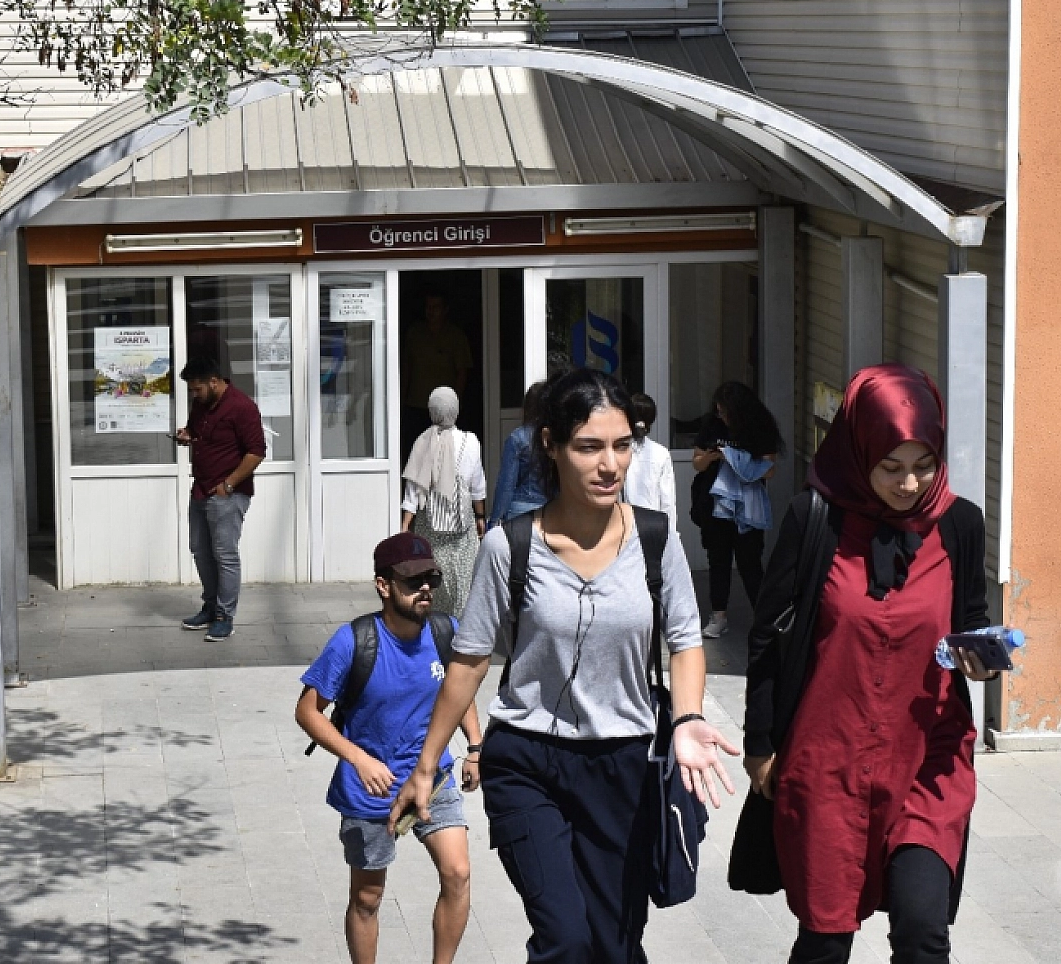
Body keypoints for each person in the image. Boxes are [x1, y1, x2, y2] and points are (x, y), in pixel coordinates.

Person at [391, 369, 739, 962]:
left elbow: (685, 640)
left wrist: (685, 720)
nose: (610, 464)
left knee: (615, 947)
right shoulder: (510, 546)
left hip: (624, 764)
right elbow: (469, 662)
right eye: (589, 446)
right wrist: (427, 767)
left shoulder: (657, 540)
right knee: (565, 939)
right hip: (527, 760)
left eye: (622, 445)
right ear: (550, 445)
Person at [736, 365, 1000, 964]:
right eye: (890, 467)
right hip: (829, 762)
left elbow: (972, 619)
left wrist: (982, 660)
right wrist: (760, 745)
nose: (909, 484)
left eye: (923, 465)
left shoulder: (959, 523)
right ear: (858, 451)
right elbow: (768, 639)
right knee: (826, 940)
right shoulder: (814, 520)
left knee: (923, 930)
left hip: (927, 757)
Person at [295, 532, 483, 964]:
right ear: (383, 585)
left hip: (433, 778)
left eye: (431, 579)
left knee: (458, 874)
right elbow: (307, 711)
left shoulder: (445, 632)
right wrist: (359, 760)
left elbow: (460, 690)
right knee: (368, 897)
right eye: (412, 581)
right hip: (372, 789)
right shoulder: (354, 641)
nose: (425, 589)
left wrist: (475, 745)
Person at [176, 355, 265, 642]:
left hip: (228, 493)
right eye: (191, 390)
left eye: (197, 389)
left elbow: (256, 452)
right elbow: (196, 431)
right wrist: (187, 435)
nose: (194, 394)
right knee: (200, 550)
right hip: (201, 489)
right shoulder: (201, 404)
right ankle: (211, 606)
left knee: (225, 554)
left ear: (214, 382)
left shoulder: (242, 407)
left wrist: (229, 484)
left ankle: (225, 616)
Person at [692, 381, 783, 639]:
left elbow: (770, 468)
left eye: (726, 412)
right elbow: (697, 462)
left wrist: (741, 461)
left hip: (748, 505)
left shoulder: (760, 426)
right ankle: (718, 616)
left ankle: (763, 617)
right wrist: (713, 456)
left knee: (749, 562)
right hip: (715, 504)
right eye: (719, 411)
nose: (721, 417)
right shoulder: (712, 425)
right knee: (718, 560)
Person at [400, 387, 486, 619]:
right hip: (462, 531)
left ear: (431, 410)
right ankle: (458, 629)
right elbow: (477, 485)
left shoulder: (422, 441)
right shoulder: (470, 441)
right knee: (463, 584)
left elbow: (413, 490)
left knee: (432, 581)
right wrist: (480, 516)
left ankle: (435, 627)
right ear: (456, 409)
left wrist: (405, 526)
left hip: (430, 530)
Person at [401, 290, 473, 456]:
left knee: (443, 454)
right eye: (428, 306)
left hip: (444, 408)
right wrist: (402, 401)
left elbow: (462, 372)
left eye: (436, 307)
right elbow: (406, 368)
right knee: (417, 454)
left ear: (445, 309)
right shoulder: (415, 333)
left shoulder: (455, 336)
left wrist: (455, 404)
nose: (431, 311)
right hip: (416, 405)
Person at [487, 380, 549, 530]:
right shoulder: (559, 438)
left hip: (521, 510)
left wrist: (494, 521)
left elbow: (506, 485)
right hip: (551, 510)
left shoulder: (518, 438)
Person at [622, 392, 679, 522]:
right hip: (653, 523)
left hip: (626, 522)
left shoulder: (621, 450)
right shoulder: (661, 453)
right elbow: (668, 502)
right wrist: (670, 530)